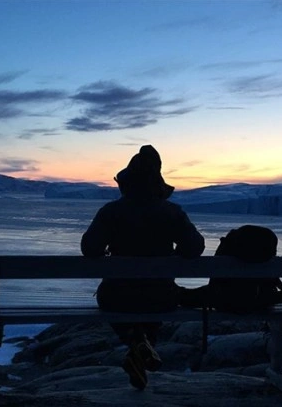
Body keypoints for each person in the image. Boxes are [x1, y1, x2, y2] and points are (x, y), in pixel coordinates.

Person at [81, 145, 205, 390]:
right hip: (161, 297)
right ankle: (142, 344)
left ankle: (135, 341)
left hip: (116, 297)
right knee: (155, 297)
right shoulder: (172, 213)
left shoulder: (111, 212)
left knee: (123, 299)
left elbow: (90, 249)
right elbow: (194, 248)